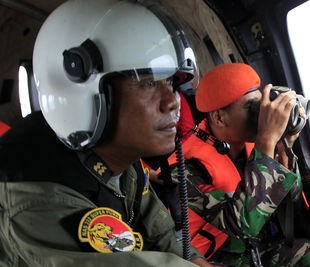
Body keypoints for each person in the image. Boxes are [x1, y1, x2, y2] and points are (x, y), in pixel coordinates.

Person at [0, 1, 211, 266]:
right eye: (147, 83)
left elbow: (159, 229)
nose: (173, 101)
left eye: (170, 82)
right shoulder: (40, 195)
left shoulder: (119, 155)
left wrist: (192, 258)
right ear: (83, 93)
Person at [168, 63, 310, 266]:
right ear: (219, 117)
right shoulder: (184, 166)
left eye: (262, 103)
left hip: (258, 244)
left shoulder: (253, 144)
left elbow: (292, 203)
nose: (262, 114)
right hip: (216, 256)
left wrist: (285, 146)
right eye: (252, 108)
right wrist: (267, 141)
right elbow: (240, 224)